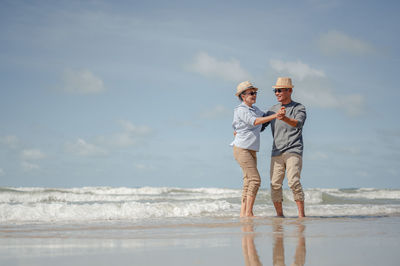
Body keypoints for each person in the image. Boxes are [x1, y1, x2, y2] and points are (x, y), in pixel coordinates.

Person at [231, 81, 285, 217]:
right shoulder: (241, 110)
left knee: (248, 181)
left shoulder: (255, 109)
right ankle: (249, 212)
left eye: (255, 93)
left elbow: (264, 117)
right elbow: (254, 121)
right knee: (255, 180)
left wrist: (280, 108)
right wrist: (275, 115)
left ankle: (243, 213)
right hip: (242, 149)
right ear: (243, 96)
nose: (254, 95)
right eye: (251, 93)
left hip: (252, 149)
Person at [262, 77, 307, 218]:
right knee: (275, 184)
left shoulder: (299, 107)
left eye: (280, 90)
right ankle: (280, 216)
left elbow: (298, 123)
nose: (277, 93)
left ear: (290, 91)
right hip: (276, 151)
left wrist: (284, 118)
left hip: (293, 149)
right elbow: (260, 126)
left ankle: (301, 216)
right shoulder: (272, 110)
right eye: (275, 90)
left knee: (293, 181)